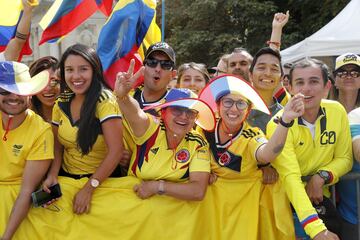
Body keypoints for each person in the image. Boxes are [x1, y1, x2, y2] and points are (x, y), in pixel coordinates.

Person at [267, 58, 353, 240]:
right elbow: (290, 177)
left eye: (314, 81)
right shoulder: (278, 123)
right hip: (284, 206)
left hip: (321, 202)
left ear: (327, 86)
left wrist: (321, 176)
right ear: (289, 87)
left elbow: (345, 158)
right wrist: (316, 229)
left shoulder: (337, 111)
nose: (306, 88)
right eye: (300, 82)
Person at [114, 59, 215, 200]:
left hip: (172, 216)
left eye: (191, 112)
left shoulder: (199, 143)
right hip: (133, 205)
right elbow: (135, 112)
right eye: (177, 110)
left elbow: (197, 191)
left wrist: (157, 187)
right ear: (163, 112)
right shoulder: (151, 128)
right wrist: (123, 96)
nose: (184, 116)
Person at [43, 44, 124, 215]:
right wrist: (53, 175)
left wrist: (89, 188)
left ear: (94, 71)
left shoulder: (105, 100)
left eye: (83, 69)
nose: (76, 76)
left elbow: (116, 151)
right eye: (70, 70)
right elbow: (57, 146)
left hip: (102, 183)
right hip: (67, 179)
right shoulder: (61, 101)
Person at [0, 61, 53, 240]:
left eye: (21, 90)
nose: (14, 97)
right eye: (5, 91)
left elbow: (26, 191)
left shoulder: (41, 131)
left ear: (30, 94)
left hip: (18, 206)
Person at [332, 53, 360, 240]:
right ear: (334, 80)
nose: (349, 75)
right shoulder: (322, 111)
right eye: (342, 72)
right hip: (343, 209)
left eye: (355, 72)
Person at [29, 56, 60, 122]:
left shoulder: (76, 115)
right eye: (42, 82)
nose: (48, 88)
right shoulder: (23, 118)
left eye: (54, 81)